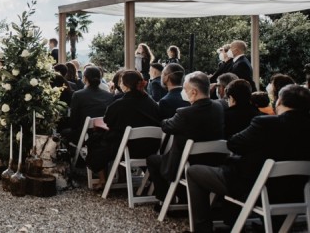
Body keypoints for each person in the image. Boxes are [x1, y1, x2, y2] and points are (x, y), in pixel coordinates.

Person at [186, 85, 310, 232]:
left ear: (279, 101)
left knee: (193, 172)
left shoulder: (265, 123)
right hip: (298, 191)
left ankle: (202, 229)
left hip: (253, 187)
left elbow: (233, 144)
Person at [146, 71, 225, 202]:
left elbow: (166, 126)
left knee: (153, 160)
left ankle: (165, 199)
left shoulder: (185, 113)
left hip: (186, 161)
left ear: (194, 92)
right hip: (214, 160)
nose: (184, 92)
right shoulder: (219, 107)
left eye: (185, 89)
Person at [86, 71, 160, 185]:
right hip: (152, 148)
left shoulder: (119, 104)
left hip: (128, 149)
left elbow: (108, 121)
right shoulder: (152, 103)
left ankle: (102, 179)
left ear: (125, 86)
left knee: (95, 139)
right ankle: (122, 176)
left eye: (121, 82)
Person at [65, 66, 114, 143]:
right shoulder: (109, 95)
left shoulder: (78, 95)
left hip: (84, 135)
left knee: (63, 132)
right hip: (104, 134)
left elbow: (73, 121)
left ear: (85, 78)